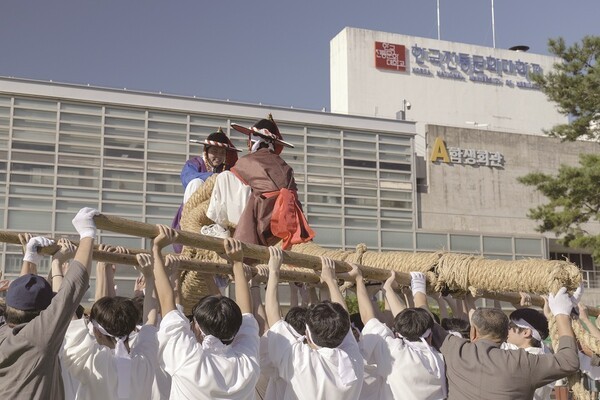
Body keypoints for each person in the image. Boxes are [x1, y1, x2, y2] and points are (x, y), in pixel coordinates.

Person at [423, 272, 580, 400]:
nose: (510, 330)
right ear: (505, 334)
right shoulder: (525, 359)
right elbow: (568, 360)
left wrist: (419, 288)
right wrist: (561, 314)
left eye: (514, 326)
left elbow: (425, 321)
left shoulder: (459, 351)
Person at [0, 207, 98, 399]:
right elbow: (71, 289)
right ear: (43, 312)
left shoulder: (4, 331)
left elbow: (24, 297)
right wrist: (87, 232)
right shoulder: (38, 338)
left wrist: (30, 257)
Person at [154, 226, 259, 400]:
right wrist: (237, 263)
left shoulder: (189, 359)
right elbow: (247, 315)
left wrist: (237, 262)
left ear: (197, 327)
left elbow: (246, 316)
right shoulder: (247, 363)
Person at [265, 251, 364, 399]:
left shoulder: (302, 361)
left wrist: (273, 271)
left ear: (307, 335)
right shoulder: (352, 358)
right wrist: (330, 281)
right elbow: (275, 320)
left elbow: (274, 321)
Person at [349, 267, 446, 400]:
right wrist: (389, 290)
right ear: (430, 336)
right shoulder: (440, 357)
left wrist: (359, 280)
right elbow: (414, 319)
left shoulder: (395, 351)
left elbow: (368, 318)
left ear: (399, 333)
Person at [227, 114, 314, 249]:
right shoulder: (285, 165)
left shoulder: (246, 161)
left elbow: (234, 183)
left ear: (254, 140)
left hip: (264, 217)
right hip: (291, 217)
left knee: (226, 179)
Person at [171, 128, 241, 249]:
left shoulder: (226, 170)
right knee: (196, 182)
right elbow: (187, 178)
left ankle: (221, 228)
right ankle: (189, 227)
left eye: (222, 153)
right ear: (206, 151)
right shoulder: (194, 163)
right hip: (194, 211)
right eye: (214, 152)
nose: (218, 156)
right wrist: (214, 178)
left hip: (214, 218)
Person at [501, 307, 553, 399]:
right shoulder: (545, 354)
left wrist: (469, 302)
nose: (507, 330)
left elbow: (481, 329)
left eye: (510, 326)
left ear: (526, 332)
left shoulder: (516, 358)